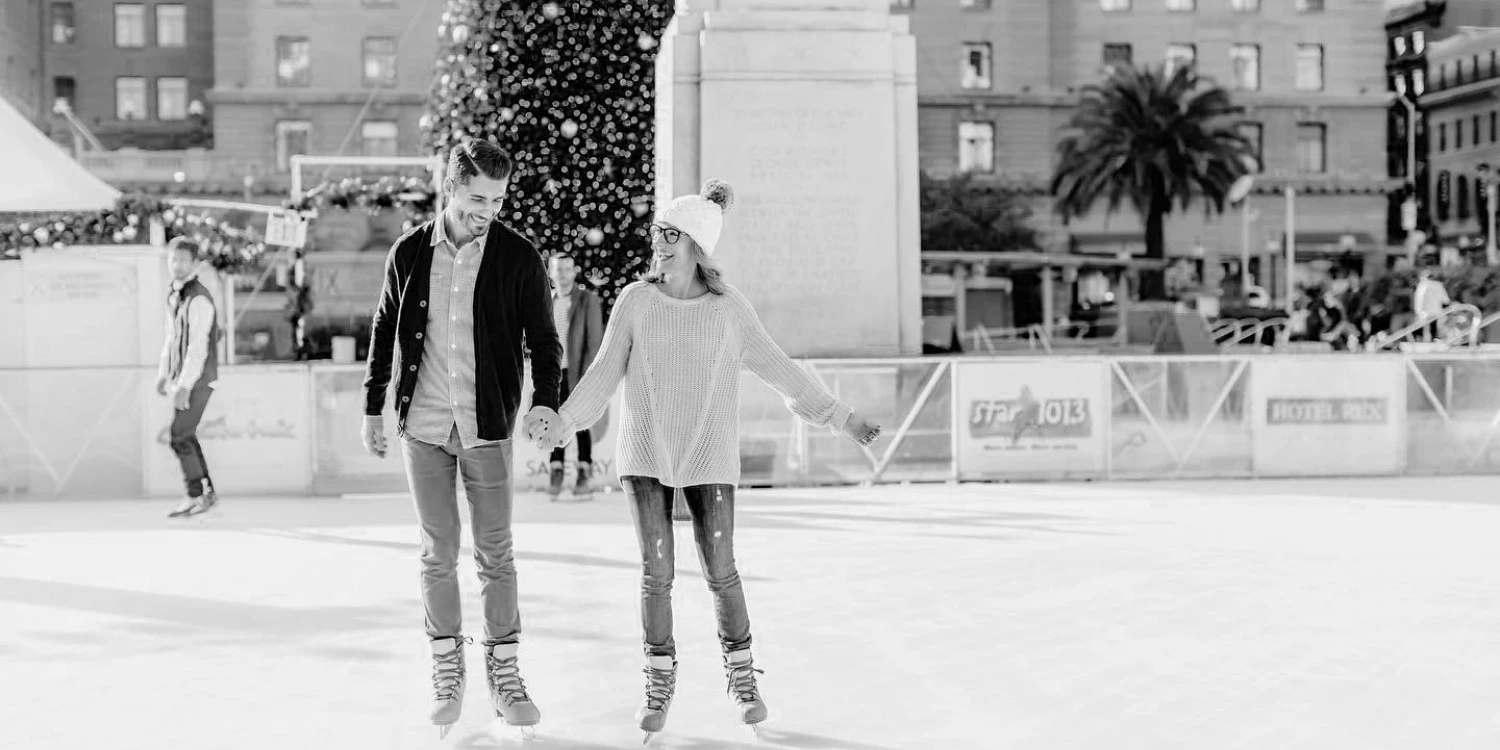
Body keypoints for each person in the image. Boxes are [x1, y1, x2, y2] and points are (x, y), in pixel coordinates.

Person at [526, 179, 881, 741]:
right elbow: (601, 375)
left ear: (696, 244)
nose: (659, 245)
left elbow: (782, 371)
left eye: (670, 236)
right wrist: (562, 423)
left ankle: (743, 679)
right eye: (656, 235)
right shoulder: (635, 302)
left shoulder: (728, 309)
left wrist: (843, 417)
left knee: (721, 571)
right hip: (644, 453)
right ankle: (659, 681)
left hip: (710, 456)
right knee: (656, 573)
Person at [360, 140, 563, 739]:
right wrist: (373, 405)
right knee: (437, 550)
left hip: (486, 428)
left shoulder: (518, 256)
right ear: (451, 188)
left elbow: (544, 340)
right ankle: (448, 668)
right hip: (422, 426)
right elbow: (383, 330)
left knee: (496, 552)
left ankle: (504, 671)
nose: (487, 210)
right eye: (477, 198)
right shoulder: (408, 252)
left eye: (497, 200)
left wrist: (545, 401)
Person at [156, 237, 221, 518]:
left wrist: (184, 385)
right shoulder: (176, 294)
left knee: (179, 436)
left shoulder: (198, 298)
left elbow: (198, 346)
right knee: (185, 434)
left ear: (195, 264)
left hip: (198, 379)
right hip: (183, 378)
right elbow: (172, 339)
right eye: (173, 259)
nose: (177, 265)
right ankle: (204, 492)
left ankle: (195, 494)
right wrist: (163, 374)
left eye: (183, 260)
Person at [545, 251, 604, 501]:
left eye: (568, 269)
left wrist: (588, 378)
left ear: (575, 271)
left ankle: (583, 472)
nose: (564, 275)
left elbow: (594, 342)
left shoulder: (587, 300)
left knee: (579, 424)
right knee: (552, 421)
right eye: (559, 269)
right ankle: (556, 470)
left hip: (578, 373)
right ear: (551, 273)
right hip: (553, 374)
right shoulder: (547, 300)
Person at [1413, 267, 1450, 342]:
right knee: (1434, 331)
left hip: (1425, 313)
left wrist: (1418, 312)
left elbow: (1418, 300)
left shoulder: (1422, 286)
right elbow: (1446, 300)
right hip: (1437, 313)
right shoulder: (1439, 285)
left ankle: (1428, 347)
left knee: (1427, 331)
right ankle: (1433, 346)